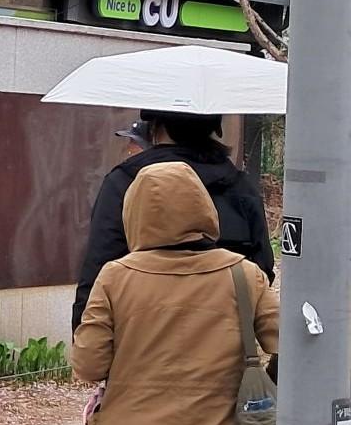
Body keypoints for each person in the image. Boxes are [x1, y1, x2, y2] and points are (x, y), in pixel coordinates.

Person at [73, 161, 279, 425]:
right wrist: (263, 386)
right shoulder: (244, 275)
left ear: (134, 215)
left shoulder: (114, 278)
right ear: (203, 208)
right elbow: (292, 349)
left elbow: (89, 364)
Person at [72, 111, 274, 331]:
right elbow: (262, 272)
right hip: (223, 348)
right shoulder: (240, 187)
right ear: (215, 128)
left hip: (139, 345)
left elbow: (97, 274)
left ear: (157, 127)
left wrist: (84, 340)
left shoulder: (125, 182)